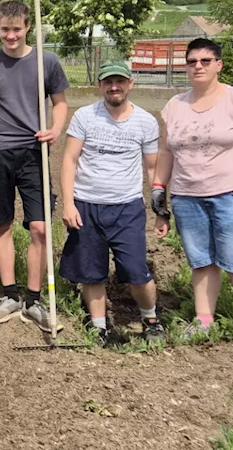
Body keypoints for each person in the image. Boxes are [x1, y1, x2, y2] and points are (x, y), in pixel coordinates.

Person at [152, 38, 233, 362]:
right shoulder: (175, 105)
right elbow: (166, 151)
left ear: (218, 65)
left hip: (232, 194)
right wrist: (157, 187)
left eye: (206, 61)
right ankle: (204, 321)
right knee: (201, 262)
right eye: (192, 61)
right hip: (187, 197)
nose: (198, 66)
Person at [0, 0, 70, 329]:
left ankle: (34, 300)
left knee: (40, 227)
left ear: (28, 27)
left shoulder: (47, 61)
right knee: (2, 225)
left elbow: (61, 104)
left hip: (33, 153)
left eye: (16, 29)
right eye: (4, 30)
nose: (10, 35)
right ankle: (10, 295)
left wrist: (55, 130)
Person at [59, 62, 166, 345]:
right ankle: (98, 326)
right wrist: (68, 204)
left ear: (130, 83)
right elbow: (69, 160)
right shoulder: (84, 116)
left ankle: (151, 320)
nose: (114, 86)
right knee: (91, 271)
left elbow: (154, 169)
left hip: (127, 208)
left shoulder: (145, 121)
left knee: (135, 271)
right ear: (100, 84)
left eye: (119, 81)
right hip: (87, 205)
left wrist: (161, 209)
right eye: (108, 81)